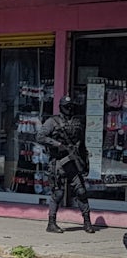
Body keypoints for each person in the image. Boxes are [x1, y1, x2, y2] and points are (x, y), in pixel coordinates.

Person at [37, 95, 95, 234]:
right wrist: (57, 144)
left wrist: (85, 163)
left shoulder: (77, 122)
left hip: (73, 162)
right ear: (61, 107)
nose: (69, 109)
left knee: (81, 192)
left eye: (71, 106)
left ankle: (87, 222)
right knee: (58, 193)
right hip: (59, 162)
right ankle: (51, 223)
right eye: (66, 106)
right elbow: (40, 136)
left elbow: (82, 145)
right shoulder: (52, 122)